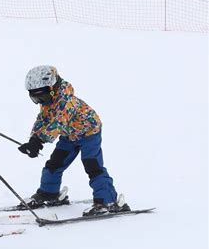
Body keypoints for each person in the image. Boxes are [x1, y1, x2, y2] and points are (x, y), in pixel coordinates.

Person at [18, 65, 130, 216]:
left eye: (42, 97)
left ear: (52, 88)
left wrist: (39, 141)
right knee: (54, 164)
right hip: (69, 136)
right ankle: (48, 194)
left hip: (89, 133)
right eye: (35, 98)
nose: (40, 102)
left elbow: (58, 122)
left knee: (93, 166)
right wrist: (34, 138)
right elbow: (42, 119)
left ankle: (108, 201)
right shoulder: (48, 101)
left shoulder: (66, 100)